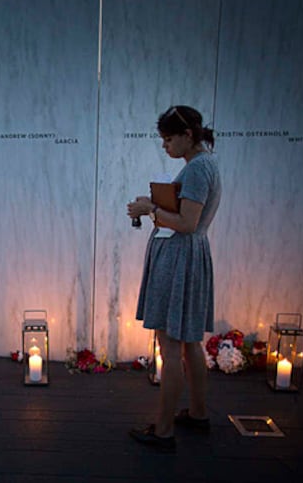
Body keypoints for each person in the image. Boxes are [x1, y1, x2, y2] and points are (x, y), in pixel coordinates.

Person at [126, 105, 221, 453]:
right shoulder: (205, 165)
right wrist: (154, 203)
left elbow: (187, 223)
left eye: (169, 139)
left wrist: (150, 210)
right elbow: (185, 216)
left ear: (188, 136)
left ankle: (164, 430)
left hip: (180, 259)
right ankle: (197, 413)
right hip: (188, 257)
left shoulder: (197, 170)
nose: (165, 146)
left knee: (169, 343)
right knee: (189, 341)